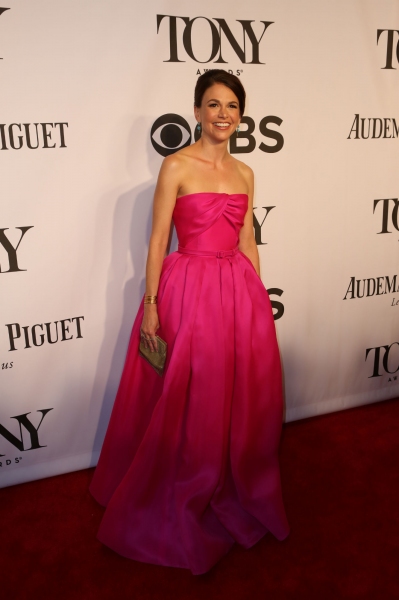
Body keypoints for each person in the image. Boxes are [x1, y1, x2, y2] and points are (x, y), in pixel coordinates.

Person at [90, 69, 289, 575]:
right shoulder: (176, 165)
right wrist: (152, 303)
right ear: (197, 110)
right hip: (186, 289)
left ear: (240, 116)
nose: (224, 114)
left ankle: (227, 476)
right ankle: (179, 481)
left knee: (233, 391)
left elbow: (247, 240)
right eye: (214, 104)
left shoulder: (245, 173)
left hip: (236, 290)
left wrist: (257, 301)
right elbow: (158, 241)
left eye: (232, 106)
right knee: (186, 391)